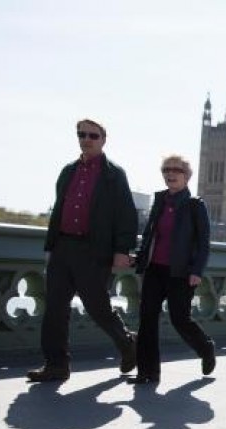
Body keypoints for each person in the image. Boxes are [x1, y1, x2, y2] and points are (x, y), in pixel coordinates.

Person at [28, 119, 138, 382]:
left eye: (92, 135)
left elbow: (126, 214)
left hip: (93, 250)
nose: (86, 139)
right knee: (55, 307)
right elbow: (59, 209)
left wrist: (122, 249)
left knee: (97, 307)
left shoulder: (114, 174)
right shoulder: (68, 171)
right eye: (81, 134)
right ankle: (56, 365)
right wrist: (51, 246)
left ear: (103, 139)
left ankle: (127, 343)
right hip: (63, 246)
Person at [129, 155, 215, 384]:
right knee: (147, 319)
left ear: (186, 176)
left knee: (180, 319)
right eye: (166, 169)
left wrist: (197, 270)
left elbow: (203, 242)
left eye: (176, 170)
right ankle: (147, 372)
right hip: (155, 269)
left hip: (181, 272)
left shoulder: (195, 205)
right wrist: (139, 257)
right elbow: (149, 235)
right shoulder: (159, 201)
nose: (171, 173)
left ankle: (205, 348)